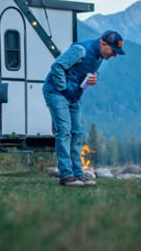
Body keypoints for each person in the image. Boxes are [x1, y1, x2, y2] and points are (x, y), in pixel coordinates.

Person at [43, 29, 125, 187]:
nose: (114, 55)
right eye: (113, 50)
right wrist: (64, 88)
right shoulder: (80, 50)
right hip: (56, 92)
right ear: (103, 43)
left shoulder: (100, 56)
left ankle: (78, 174)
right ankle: (66, 176)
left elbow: (90, 71)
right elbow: (57, 66)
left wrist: (95, 78)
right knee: (64, 132)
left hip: (74, 96)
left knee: (77, 132)